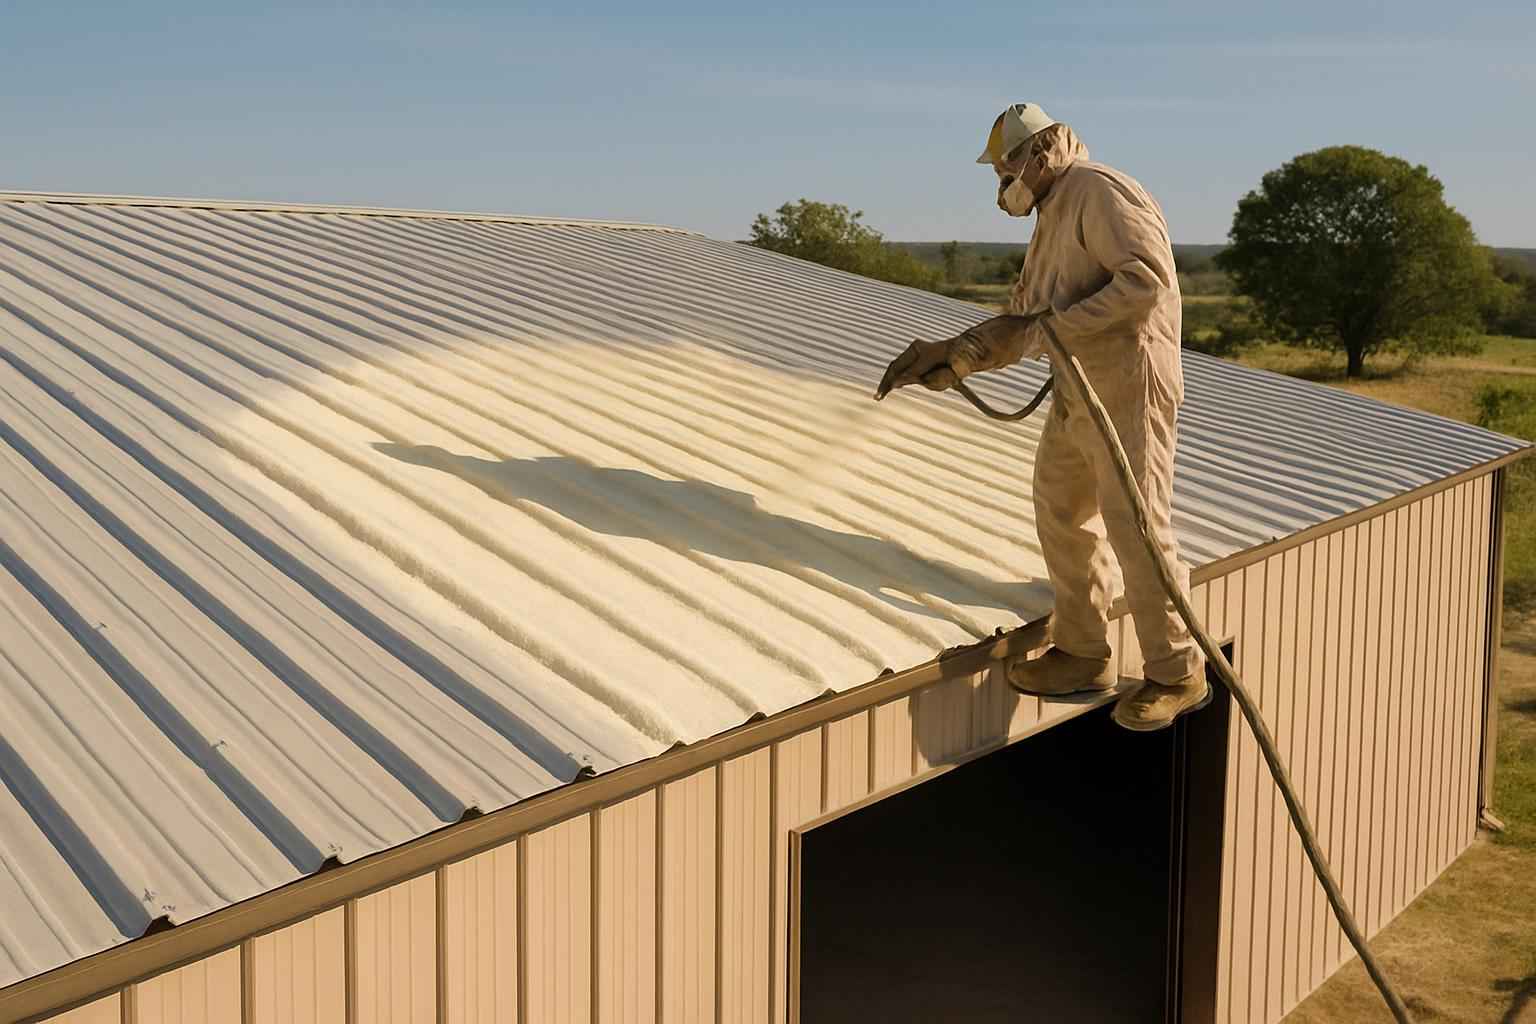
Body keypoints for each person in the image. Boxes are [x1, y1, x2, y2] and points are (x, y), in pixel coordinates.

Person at [879, 103, 1207, 731]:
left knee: (1136, 524)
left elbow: (1147, 282)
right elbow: (1025, 324)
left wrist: (1056, 330)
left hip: (1128, 385)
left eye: (1004, 171)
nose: (1001, 185)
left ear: (1037, 155)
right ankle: (1083, 652)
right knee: (1060, 507)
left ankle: (1176, 672)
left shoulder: (1098, 191)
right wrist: (954, 357)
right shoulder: (1054, 214)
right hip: (1080, 384)